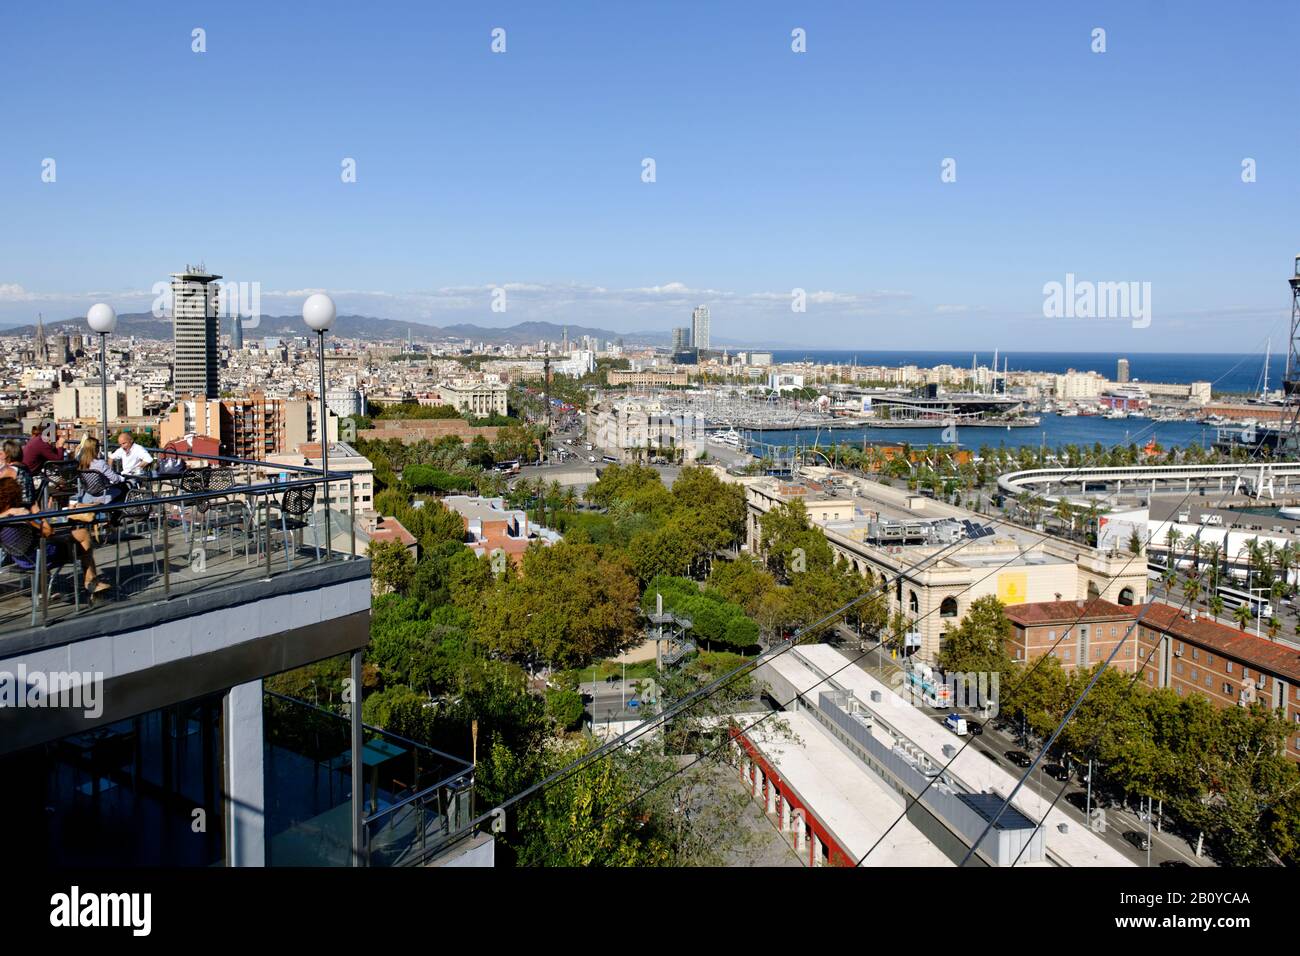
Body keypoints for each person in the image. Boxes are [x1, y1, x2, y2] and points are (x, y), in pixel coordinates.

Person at [0, 476, 110, 595]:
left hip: (20, 559)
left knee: (74, 537)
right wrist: (37, 514)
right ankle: (91, 582)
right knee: (83, 535)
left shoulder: (4, 516)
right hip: (42, 556)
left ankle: (90, 580)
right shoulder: (21, 513)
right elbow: (49, 531)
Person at [75, 437, 126, 506]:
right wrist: (123, 478)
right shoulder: (100, 463)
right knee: (124, 489)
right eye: (98, 446)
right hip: (103, 493)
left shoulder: (80, 462)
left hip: (88, 492)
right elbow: (115, 479)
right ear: (96, 448)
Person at [0, 440, 35, 507]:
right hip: (27, 504)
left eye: (0, 454)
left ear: (7, 454)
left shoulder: (10, 470)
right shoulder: (24, 467)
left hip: (18, 506)